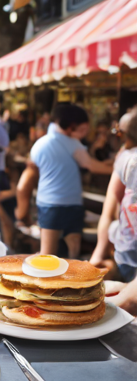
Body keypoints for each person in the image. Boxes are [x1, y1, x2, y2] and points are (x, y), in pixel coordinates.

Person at [29, 104, 113, 258]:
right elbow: (91, 165)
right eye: (83, 129)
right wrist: (119, 168)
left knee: (47, 253)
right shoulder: (71, 143)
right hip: (70, 204)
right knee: (73, 251)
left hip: (47, 203)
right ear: (70, 127)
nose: (85, 134)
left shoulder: (39, 144)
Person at [90, 111, 137, 280]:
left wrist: (98, 254)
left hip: (127, 255)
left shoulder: (125, 159)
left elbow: (108, 211)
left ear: (122, 134)